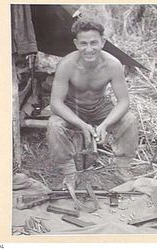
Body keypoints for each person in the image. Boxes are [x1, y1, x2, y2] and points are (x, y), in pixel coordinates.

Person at [47, 17, 138, 186]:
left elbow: (124, 101)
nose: (89, 49)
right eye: (83, 43)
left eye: (94, 43)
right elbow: (56, 104)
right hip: (72, 106)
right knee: (54, 124)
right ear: (76, 44)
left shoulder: (113, 64)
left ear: (103, 42)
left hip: (99, 105)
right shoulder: (66, 65)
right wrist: (82, 124)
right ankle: (69, 172)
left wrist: (104, 125)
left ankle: (123, 167)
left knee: (129, 119)